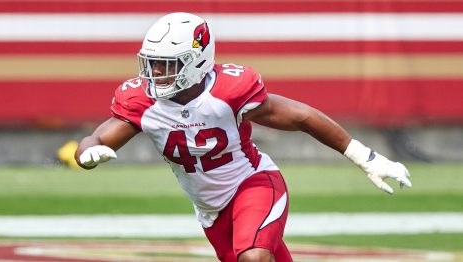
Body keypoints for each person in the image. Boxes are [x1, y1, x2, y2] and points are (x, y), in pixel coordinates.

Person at [75, 12, 412, 262]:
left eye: (168, 64)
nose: (157, 74)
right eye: (153, 64)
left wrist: (366, 157)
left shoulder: (228, 91)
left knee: (253, 257)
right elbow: (97, 138)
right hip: (210, 209)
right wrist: (88, 153)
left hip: (253, 184)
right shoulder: (143, 102)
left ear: (197, 61)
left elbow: (302, 117)